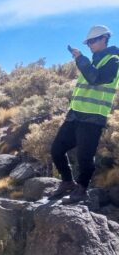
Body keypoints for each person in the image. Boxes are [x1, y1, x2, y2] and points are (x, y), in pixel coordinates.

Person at [51, 25, 119, 205]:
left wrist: (80, 59)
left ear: (104, 38)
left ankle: (81, 189)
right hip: (75, 116)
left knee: (84, 157)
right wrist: (82, 59)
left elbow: (95, 78)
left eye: (92, 41)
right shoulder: (92, 61)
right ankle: (67, 182)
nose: (89, 44)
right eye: (88, 42)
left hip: (93, 118)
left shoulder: (114, 60)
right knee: (56, 150)